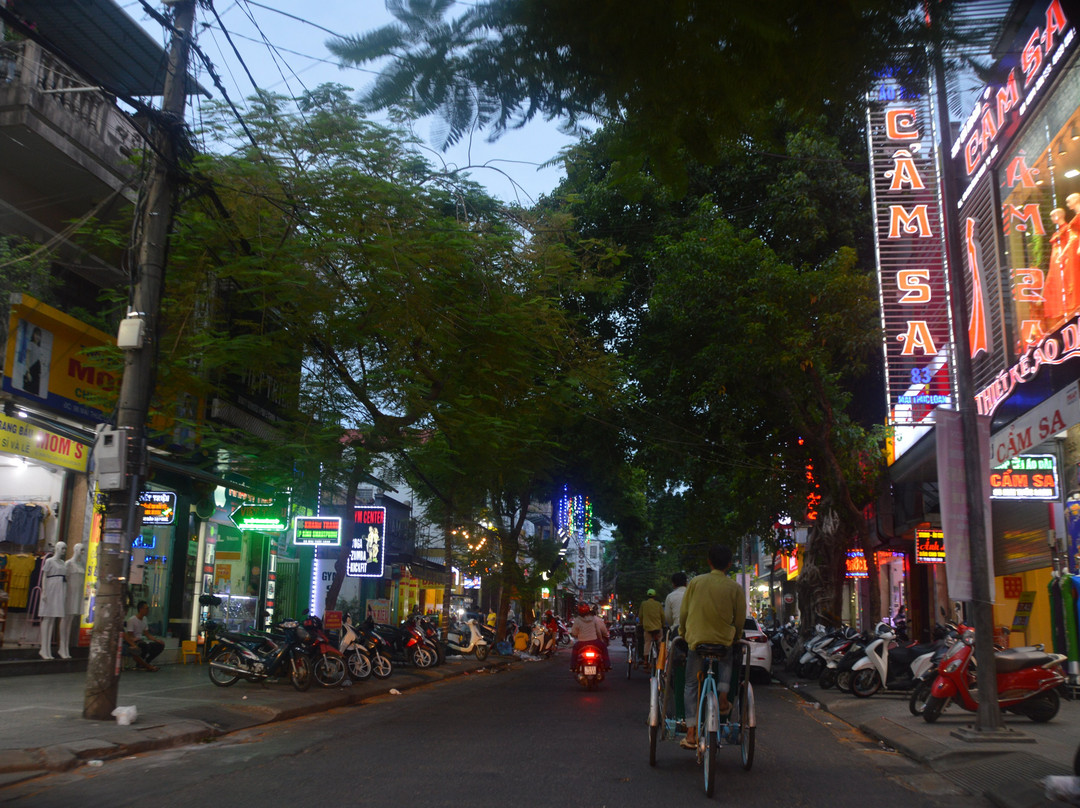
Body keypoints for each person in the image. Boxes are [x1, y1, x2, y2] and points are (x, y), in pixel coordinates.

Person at [679, 544, 746, 750]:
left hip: (696, 641)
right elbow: (740, 619)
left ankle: (690, 732)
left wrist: (683, 632)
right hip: (723, 641)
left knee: (691, 685)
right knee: (727, 657)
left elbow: (684, 613)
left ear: (709, 562)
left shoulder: (696, 582)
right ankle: (723, 697)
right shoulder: (735, 587)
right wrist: (736, 635)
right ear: (729, 564)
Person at [38, 541, 67, 660]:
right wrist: (44, 591)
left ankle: (47, 649)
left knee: (53, 618)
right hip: (50, 588)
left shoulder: (63, 563)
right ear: (57, 548)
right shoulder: (49, 561)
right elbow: (44, 576)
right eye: (63, 548)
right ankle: (43, 648)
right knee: (47, 617)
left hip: (59, 589)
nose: (64, 551)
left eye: (65, 549)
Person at [124, 601, 164, 671]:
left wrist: (156, 640)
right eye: (146, 609)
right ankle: (140, 664)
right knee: (143, 645)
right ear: (141, 609)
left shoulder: (145, 619)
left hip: (142, 640)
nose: (148, 611)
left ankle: (146, 662)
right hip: (135, 641)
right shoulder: (131, 620)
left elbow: (147, 634)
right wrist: (135, 640)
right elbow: (130, 636)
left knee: (159, 645)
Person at [570, 602, 610, 670]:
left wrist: (576, 634)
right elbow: (598, 631)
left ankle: (573, 666)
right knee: (604, 648)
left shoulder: (577, 620)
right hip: (594, 642)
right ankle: (607, 665)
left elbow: (574, 632)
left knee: (574, 650)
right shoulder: (593, 619)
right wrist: (600, 640)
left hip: (581, 643)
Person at [640, 588, 664, 668]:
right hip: (658, 628)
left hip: (647, 628)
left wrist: (641, 623)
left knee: (647, 643)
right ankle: (661, 658)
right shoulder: (658, 604)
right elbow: (662, 616)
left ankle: (646, 661)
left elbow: (641, 616)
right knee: (660, 641)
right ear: (655, 596)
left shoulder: (644, 604)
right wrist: (663, 625)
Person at [664, 571, 688, 636]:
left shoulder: (670, 597)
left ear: (673, 584)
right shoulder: (693, 594)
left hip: (677, 632)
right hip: (693, 631)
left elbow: (668, 618)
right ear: (686, 583)